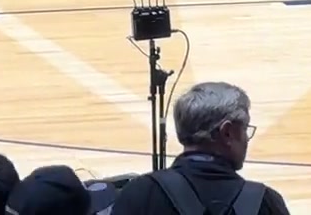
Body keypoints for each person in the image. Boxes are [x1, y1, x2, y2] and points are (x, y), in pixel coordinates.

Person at [109, 81, 291, 215]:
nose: (246, 138)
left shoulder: (140, 194)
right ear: (227, 132)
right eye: (244, 129)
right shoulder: (266, 203)